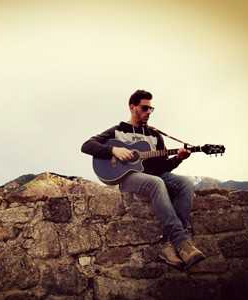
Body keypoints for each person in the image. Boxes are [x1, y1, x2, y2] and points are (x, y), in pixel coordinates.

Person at [81, 90, 205, 270]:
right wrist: (113, 151)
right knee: (156, 183)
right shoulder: (117, 131)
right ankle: (182, 242)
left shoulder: (155, 136)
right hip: (128, 178)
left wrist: (179, 158)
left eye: (150, 109)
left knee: (185, 182)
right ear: (132, 107)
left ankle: (171, 245)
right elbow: (86, 146)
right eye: (144, 108)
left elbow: (163, 167)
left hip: (155, 176)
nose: (148, 112)